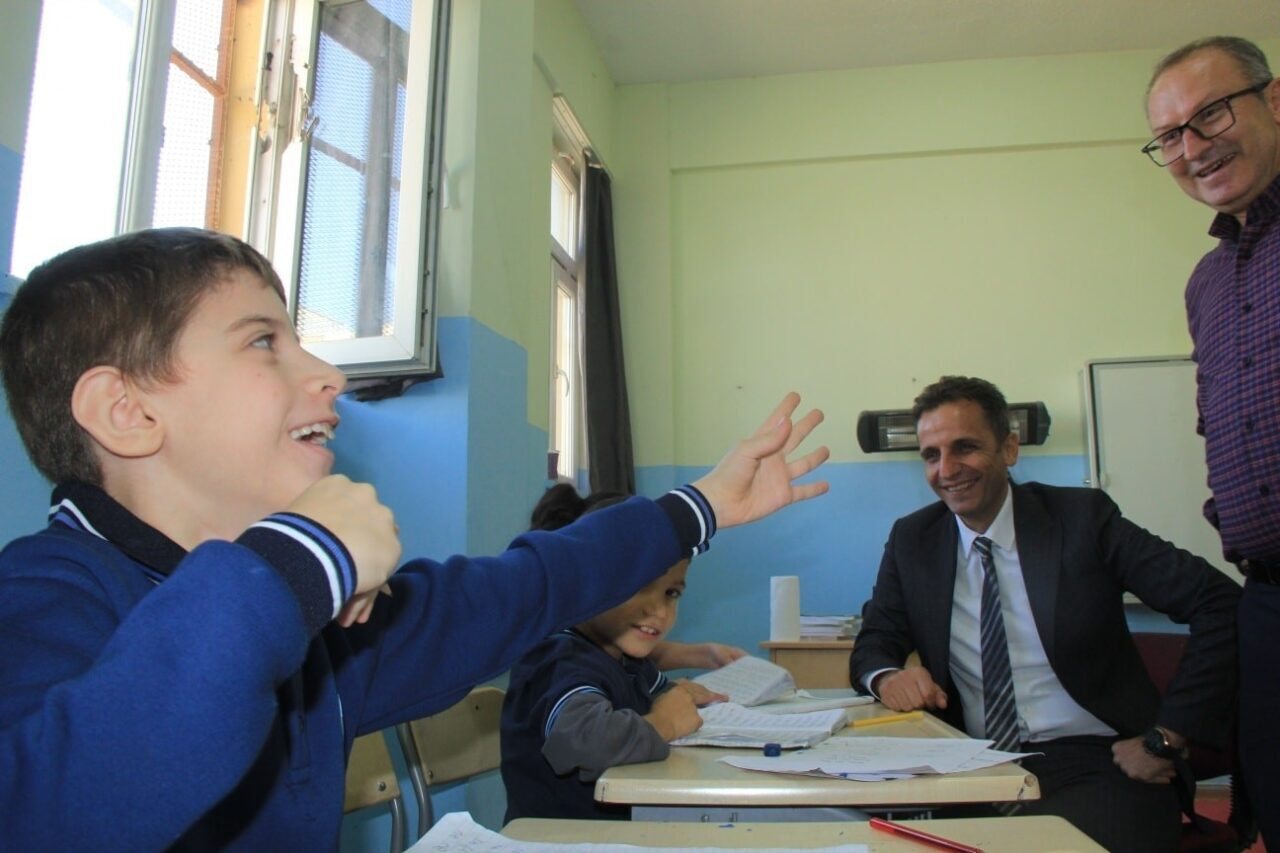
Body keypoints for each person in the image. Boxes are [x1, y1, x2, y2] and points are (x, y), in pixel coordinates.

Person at [0, 228, 830, 850]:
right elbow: (44, 811)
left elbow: (524, 587)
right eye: (263, 342)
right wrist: (295, 565)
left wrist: (695, 508)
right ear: (126, 411)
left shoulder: (323, 628)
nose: (328, 374)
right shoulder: (43, 595)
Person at [848, 375, 1239, 853]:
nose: (947, 470)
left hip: (1097, 760)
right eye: (931, 455)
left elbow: (1220, 603)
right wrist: (887, 676)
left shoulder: (1082, 519)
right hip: (972, 762)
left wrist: (1166, 737)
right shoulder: (914, 540)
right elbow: (875, 640)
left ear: (1009, 448)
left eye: (965, 447)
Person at [1144, 35, 1280, 847]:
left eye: (1212, 114)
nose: (1193, 147)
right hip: (1266, 593)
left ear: (1275, 100)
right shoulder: (1207, 282)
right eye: (1170, 136)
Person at [501, 486, 744, 822]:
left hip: (620, 830)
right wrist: (663, 722)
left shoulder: (626, 658)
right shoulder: (557, 657)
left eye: (672, 593)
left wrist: (678, 696)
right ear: (585, 580)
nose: (659, 611)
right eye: (639, 586)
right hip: (560, 839)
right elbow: (583, 742)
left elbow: (659, 694)